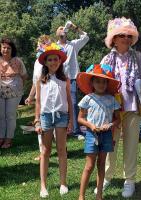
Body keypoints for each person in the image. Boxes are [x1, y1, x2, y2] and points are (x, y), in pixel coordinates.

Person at [99, 17, 141, 198]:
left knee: (130, 146)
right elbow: (100, 82)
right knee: (110, 146)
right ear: (113, 38)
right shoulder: (107, 58)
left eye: (129, 36)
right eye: (122, 35)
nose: (126, 39)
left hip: (133, 108)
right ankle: (107, 177)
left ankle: (129, 181)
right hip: (112, 110)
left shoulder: (137, 57)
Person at [34, 42, 73, 198]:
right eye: (49, 60)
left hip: (62, 116)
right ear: (45, 62)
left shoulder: (65, 79)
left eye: (55, 59)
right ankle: (43, 185)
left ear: (60, 61)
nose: (53, 62)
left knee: (62, 150)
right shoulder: (40, 79)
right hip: (46, 117)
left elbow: (69, 101)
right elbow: (38, 102)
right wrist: (37, 120)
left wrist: (70, 120)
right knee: (45, 151)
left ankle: (63, 182)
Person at [76, 64, 121, 200]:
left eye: (103, 81)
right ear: (92, 83)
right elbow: (80, 118)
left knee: (101, 164)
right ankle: (81, 196)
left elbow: (118, 119)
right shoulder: (88, 98)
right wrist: (90, 125)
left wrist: (111, 125)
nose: (101, 84)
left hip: (106, 135)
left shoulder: (112, 99)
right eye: (97, 81)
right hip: (92, 134)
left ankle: (99, 195)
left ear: (107, 83)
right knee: (89, 166)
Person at [56, 21, 89, 139]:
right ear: (56, 33)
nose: (62, 30)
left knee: (73, 103)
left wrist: (75, 27)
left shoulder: (73, 45)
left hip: (72, 78)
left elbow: (85, 37)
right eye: (60, 29)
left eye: (63, 28)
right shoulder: (54, 47)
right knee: (59, 104)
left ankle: (76, 131)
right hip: (58, 79)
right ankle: (61, 129)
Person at [25, 35, 51, 161]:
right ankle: (42, 152)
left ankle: (63, 149)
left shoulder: (51, 60)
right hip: (39, 98)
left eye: (42, 43)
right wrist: (30, 97)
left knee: (54, 124)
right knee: (39, 123)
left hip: (50, 98)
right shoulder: (37, 62)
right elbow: (36, 82)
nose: (38, 46)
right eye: (38, 44)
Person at [0, 37, 28, 148]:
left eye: (8, 48)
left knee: (10, 115)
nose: (6, 50)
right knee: (1, 115)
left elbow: (25, 76)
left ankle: (8, 139)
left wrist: (20, 88)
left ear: (12, 49)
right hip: (0, 90)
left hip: (14, 91)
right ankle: (1, 137)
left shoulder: (18, 61)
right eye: (4, 47)